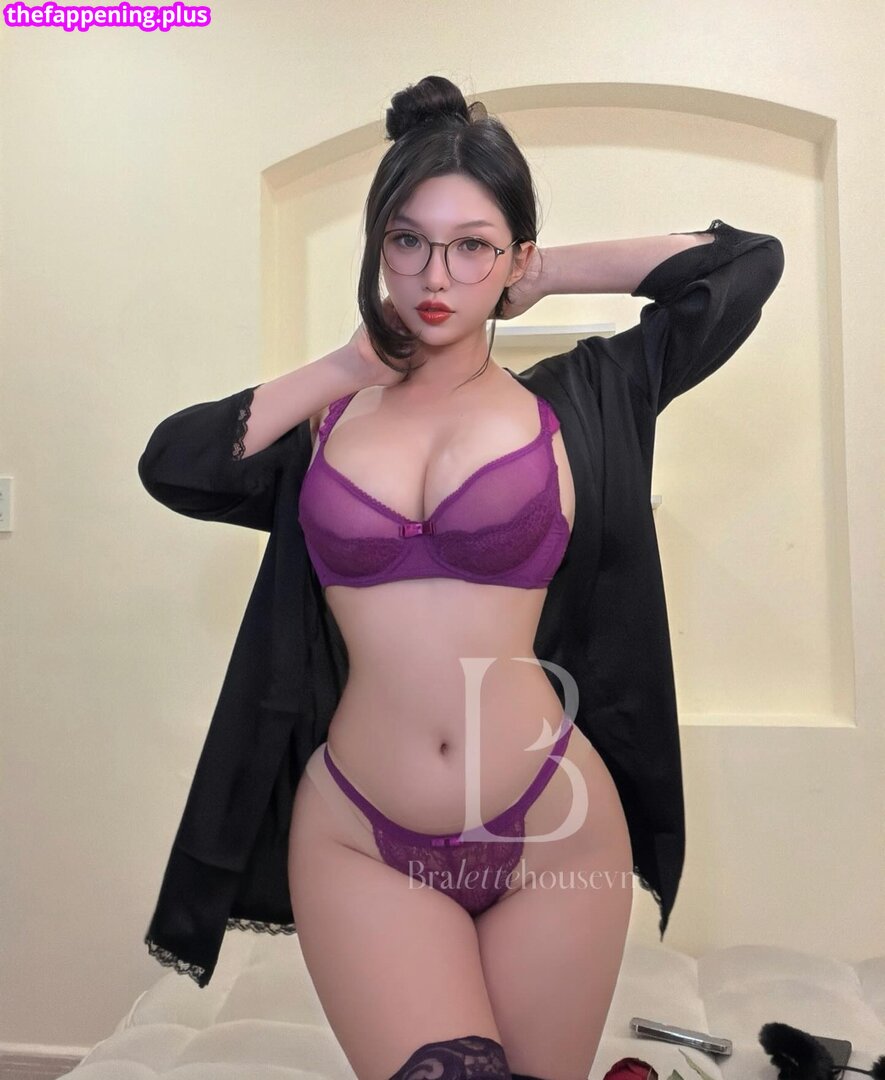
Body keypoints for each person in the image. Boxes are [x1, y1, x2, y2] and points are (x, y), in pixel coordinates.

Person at [138, 74, 784, 1080]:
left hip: (553, 828)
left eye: (472, 244)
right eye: (408, 240)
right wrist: (345, 366)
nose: (435, 273)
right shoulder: (324, 425)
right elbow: (175, 464)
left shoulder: (583, 399)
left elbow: (743, 265)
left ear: (512, 256)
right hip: (360, 835)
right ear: (377, 249)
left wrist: (547, 271)